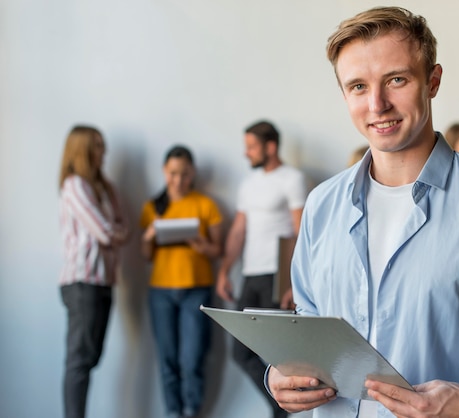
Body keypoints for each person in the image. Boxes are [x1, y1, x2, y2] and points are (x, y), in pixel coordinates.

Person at [267, 7, 459, 418]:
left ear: (433, 81)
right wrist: (281, 374)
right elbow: (308, 318)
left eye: (396, 80)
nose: (377, 104)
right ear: (344, 95)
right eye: (358, 86)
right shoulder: (322, 204)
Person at [216, 120, 307, 418]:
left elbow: (301, 232)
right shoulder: (249, 185)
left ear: (270, 147)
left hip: (276, 276)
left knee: (275, 356)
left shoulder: (292, 179)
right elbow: (239, 231)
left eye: (251, 147)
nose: (246, 153)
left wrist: (295, 282)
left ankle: (280, 410)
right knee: (240, 352)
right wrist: (225, 269)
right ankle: (279, 405)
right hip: (250, 277)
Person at [140, 145, 223, 418]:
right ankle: (173, 412)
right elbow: (145, 256)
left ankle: (191, 410)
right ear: (165, 172)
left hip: (196, 290)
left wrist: (201, 245)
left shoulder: (205, 205)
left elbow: (217, 249)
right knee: (167, 359)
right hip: (160, 291)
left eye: (185, 174)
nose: (178, 180)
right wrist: (149, 236)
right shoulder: (153, 207)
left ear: (193, 173)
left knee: (192, 358)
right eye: (173, 173)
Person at [58, 125, 129, 418]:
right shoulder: (75, 185)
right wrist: (116, 233)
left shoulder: (105, 188)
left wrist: (116, 232)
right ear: (84, 149)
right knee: (80, 360)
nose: (104, 151)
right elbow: (104, 231)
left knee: (90, 357)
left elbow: (123, 228)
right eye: (98, 145)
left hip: (103, 281)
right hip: (82, 282)